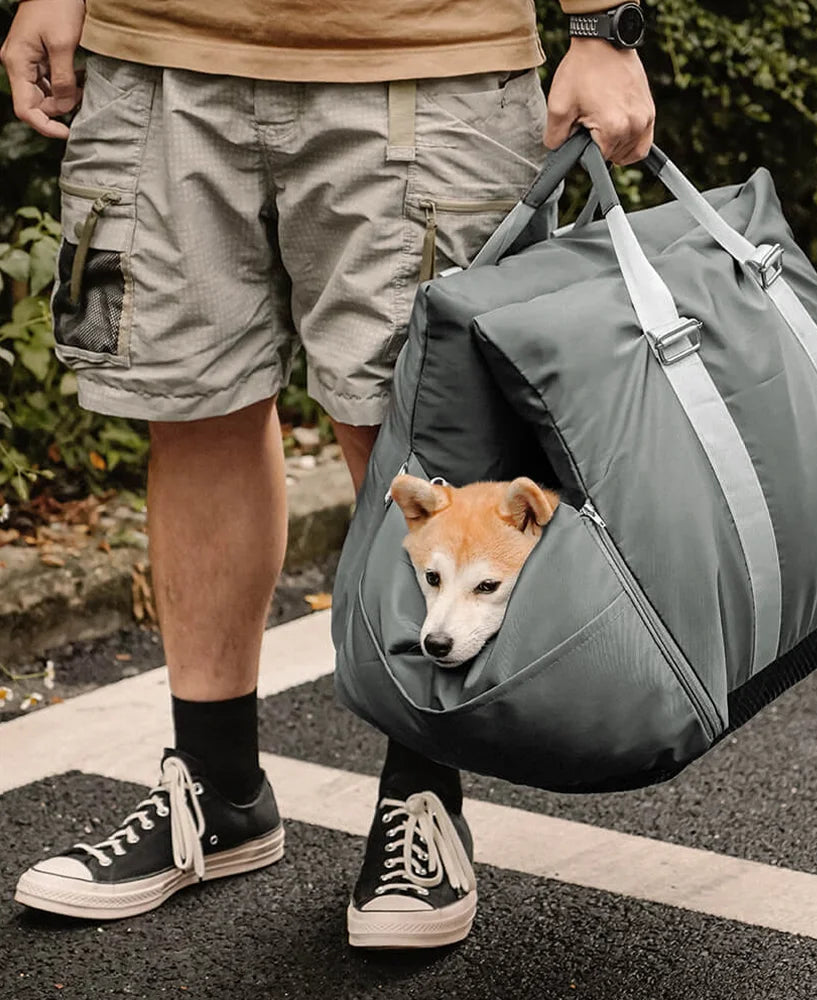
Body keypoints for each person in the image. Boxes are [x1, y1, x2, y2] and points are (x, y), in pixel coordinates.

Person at [3, 0, 655, 947]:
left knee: (412, 437)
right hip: (157, 53)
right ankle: (218, 795)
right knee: (191, 413)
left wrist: (604, 25)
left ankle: (421, 800)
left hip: (421, 56)